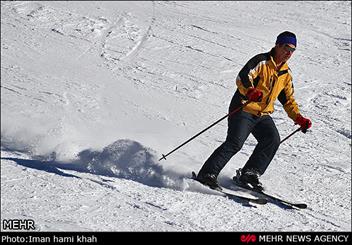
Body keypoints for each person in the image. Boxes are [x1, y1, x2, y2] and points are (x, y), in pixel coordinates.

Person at [196, 31, 312, 192]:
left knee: (272, 139)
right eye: (286, 48)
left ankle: (249, 174)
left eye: (293, 50)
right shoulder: (261, 61)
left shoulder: (285, 73)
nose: (289, 53)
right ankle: (207, 174)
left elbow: (288, 100)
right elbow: (243, 77)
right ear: (277, 45)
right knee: (235, 143)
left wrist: (298, 118)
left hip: (262, 114)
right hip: (244, 108)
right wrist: (250, 91)